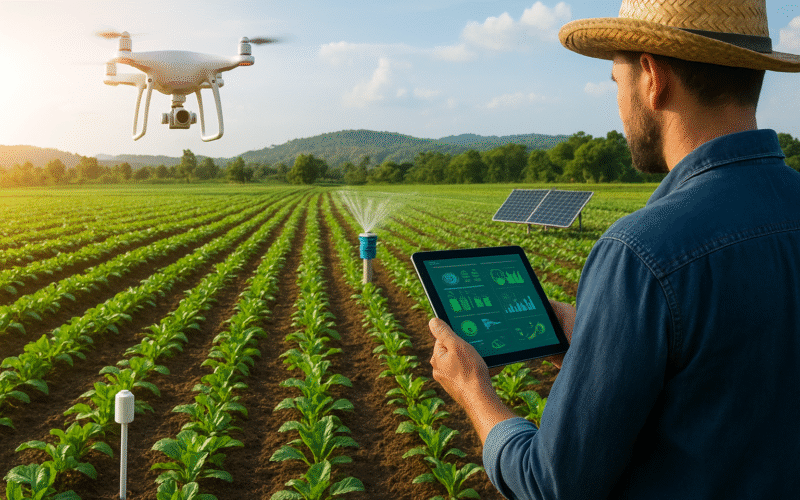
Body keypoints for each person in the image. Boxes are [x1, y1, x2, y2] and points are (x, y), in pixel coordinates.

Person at [427, 0, 800, 498]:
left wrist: (474, 391)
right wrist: (606, 342)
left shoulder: (642, 252)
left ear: (651, 77)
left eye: (615, 83)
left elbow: (552, 483)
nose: (619, 105)